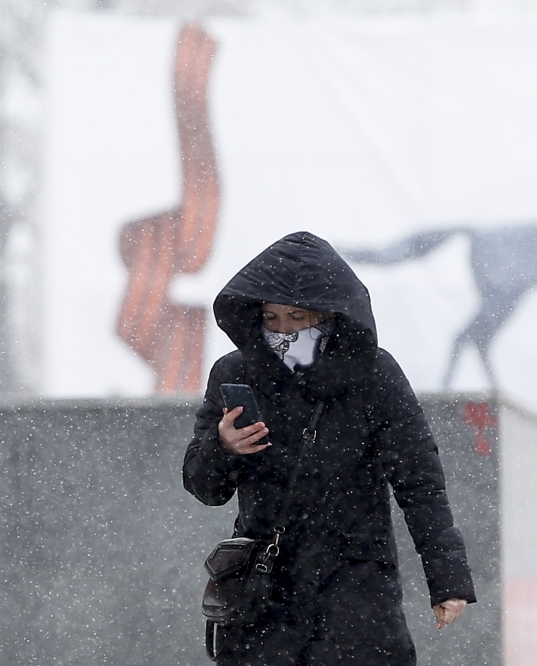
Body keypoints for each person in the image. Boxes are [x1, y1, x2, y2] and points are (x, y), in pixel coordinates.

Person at [184, 231, 475, 666]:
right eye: (272, 317)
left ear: (329, 315)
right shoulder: (235, 372)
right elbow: (204, 487)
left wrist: (447, 578)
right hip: (265, 594)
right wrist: (222, 447)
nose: (282, 331)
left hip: (355, 591)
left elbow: (419, 482)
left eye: (296, 317)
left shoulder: (374, 375)